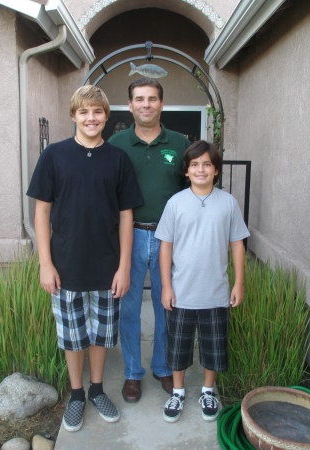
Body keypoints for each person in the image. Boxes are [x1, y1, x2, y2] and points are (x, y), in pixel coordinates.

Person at [27, 85, 143, 432]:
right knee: (73, 336)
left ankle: (96, 390)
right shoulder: (54, 156)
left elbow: (126, 216)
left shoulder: (117, 159)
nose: (91, 118)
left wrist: (124, 266)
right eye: (84, 112)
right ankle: (76, 395)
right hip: (66, 266)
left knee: (100, 335)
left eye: (97, 112)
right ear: (74, 115)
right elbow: (41, 213)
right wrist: (45, 263)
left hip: (107, 268)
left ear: (106, 116)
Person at [155, 140, 250, 423]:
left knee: (213, 347)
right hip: (182, 293)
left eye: (207, 164)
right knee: (178, 347)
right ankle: (179, 392)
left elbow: (237, 244)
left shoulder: (228, 203)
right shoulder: (175, 203)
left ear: (216, 170)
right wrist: (167, 286)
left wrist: (239, 283)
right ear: (186, 170)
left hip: (216, 293)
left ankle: (208, 391)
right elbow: (165, 247)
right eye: (195, 164)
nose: (201, 169)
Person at [109, 78, 190, 402]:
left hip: (169, 238)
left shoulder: (180, 143)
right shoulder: (116, 143)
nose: (146, 104)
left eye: (152, 99)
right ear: (130, 106)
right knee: (127, 308)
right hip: (128, 237)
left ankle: (162, 367)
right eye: (139, 99)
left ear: (161, 103)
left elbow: (191, 190)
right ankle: (132, 373)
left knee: (166, 306)